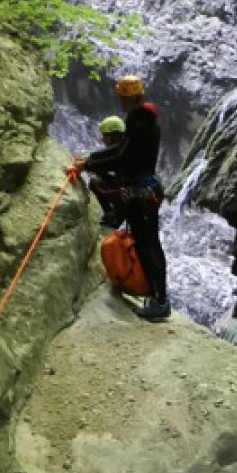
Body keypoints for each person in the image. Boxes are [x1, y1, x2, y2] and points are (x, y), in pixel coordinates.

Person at [75, 75, 170, 322]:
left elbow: (120, 157)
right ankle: (156, 295)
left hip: (140, 192)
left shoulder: (139, 125)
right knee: (147, 243)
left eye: (122, 97)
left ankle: (160, 301)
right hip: (146, 190)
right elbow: (121, 152)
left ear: (129, 98)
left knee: (148, 245)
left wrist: (88, 163)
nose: (121, 102)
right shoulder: (147, 122)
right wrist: (91, 161)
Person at [87, 115, 126, 227]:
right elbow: (103, 158)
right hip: (131, 191)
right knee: (96, 180)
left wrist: (88, 165)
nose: (103, 139)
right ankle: (112, 214)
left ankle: (114, 217)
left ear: (114, 136)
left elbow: (108, 162)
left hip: (131, 196)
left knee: (95, 182)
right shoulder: (122, 147)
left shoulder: (122, 153)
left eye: (105, 136)